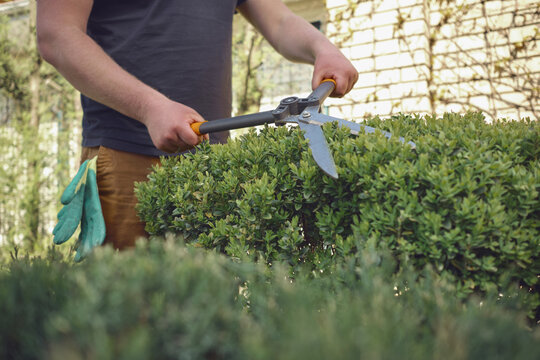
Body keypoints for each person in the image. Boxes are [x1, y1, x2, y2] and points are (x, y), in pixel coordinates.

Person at [37, 0, 359, 253]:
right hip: (125, 162)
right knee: (128, 328)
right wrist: (150, 108)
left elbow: (279, 20)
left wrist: (322, 48)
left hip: (212, 169)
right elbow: (57, 34)